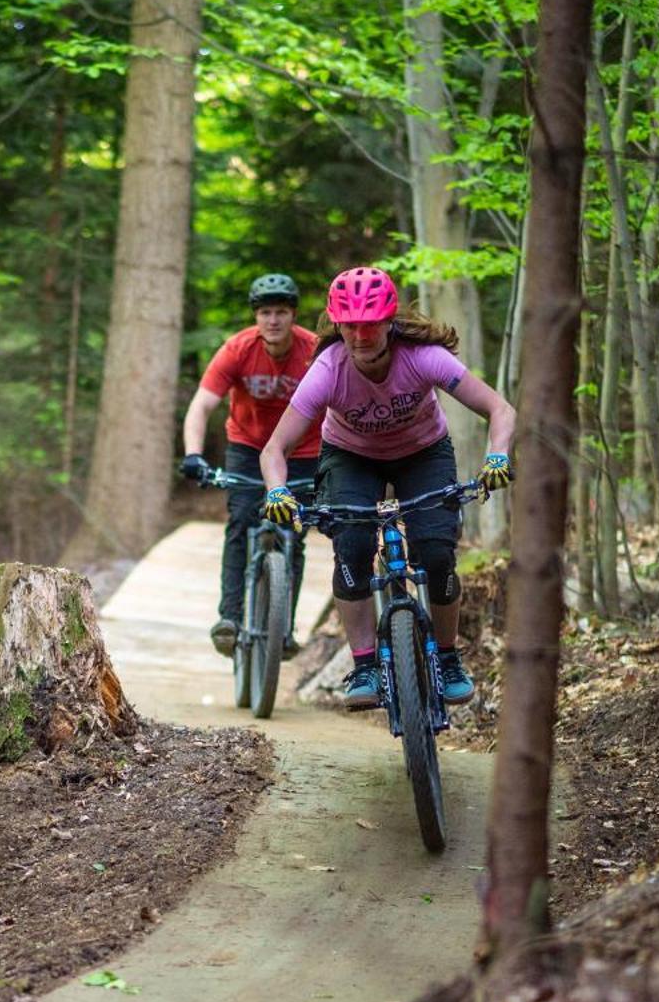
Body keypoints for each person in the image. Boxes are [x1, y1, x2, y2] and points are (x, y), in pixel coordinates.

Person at [256, 265, 516, 710]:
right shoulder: (327, 371)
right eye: (351, 325)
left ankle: (448, 659)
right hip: (351, 458)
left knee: (436, 554)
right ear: (337, 324)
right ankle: (365, 664)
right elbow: (273, 449)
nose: (361, 335)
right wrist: (277, 492)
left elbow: (499, 409)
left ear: (389, 320)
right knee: (352, 548)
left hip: (423, 452)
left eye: (371, 324)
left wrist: (498, 456)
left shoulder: (424, 356)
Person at [179, 272, 324, 658]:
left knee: (294, 531)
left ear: (293, 315)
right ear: (256, 317)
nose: (272, 320)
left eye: (280, 312)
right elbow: (202, 404)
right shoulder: (238, 349)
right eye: (264, 313)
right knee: (241, 521)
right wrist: (194, 454)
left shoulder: (314, 350)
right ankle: (229, 618)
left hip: (302, 450)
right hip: (246, 446)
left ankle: (284, 629)